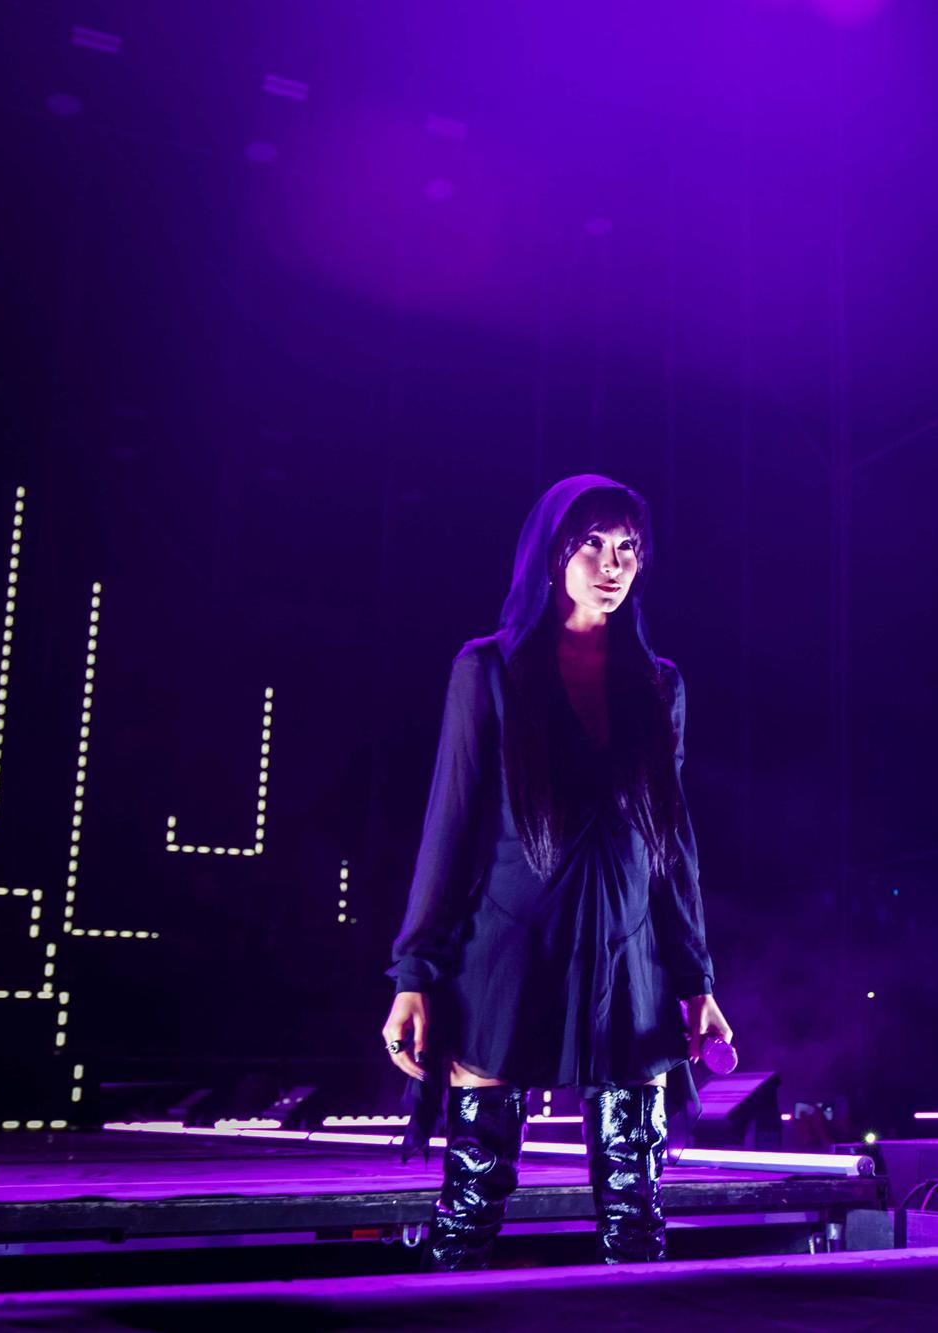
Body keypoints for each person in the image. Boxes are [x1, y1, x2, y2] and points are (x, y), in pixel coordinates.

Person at [380, 473, 734, 1269]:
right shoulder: (488, 670)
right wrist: (415, 971)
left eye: (630, 550)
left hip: (628, 953)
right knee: (472, 1202)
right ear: (550, 556)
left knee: (635, 1209)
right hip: (508, 945)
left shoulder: (657, 683)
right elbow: (452, 823)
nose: (614, 564)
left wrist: (697, 979)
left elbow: (670, 843)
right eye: (594, 546)